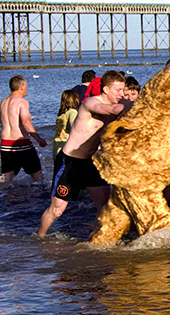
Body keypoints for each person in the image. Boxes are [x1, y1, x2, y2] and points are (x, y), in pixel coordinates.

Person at [37, 70, 125, 237]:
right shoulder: (92, 103)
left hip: (90, 163)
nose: (121, 94)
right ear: (106, 89)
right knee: (57, 210)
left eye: (123, 90)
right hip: (70, 162)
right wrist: (136, 103)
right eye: (118, 90)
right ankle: (39, 238)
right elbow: (111, 109)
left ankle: (98, 237)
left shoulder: (116, 107)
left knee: (104, 206)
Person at [1, 75, 47, 184]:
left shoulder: (3, 102)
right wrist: (39, 139)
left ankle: (5, 200)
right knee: (38, 178)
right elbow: (25, 122)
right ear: (21, 87)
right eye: (26, 86)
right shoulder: (22, 102)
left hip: (6, 144)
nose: (27, 88)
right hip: (22, 144)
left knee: (6, 180)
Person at [53, 89, 80, 158]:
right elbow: (73, 127)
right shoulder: (73, 112)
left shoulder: (60, 114)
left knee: (58, 166)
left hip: (56, 144)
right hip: (66, 144)